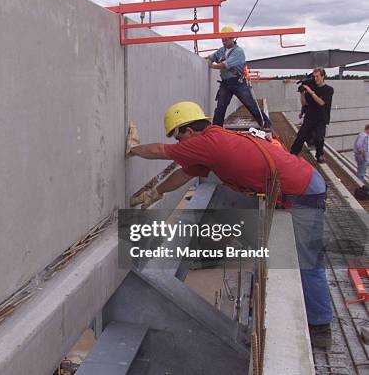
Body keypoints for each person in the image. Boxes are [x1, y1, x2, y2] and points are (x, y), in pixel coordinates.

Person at [127, 101, 333, 348]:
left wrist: (134, 149)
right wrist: (155, 192)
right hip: (299, 186)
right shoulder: (215, 141)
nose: (180, 144)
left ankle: (320, 328)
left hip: (303, 191)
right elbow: (184, 173)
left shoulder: (209, 144)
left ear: (189, 131)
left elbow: (161, 151)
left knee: (309, 260)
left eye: (178, 137)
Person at [206, 26, 271, 129]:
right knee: (220, 107)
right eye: (222, 40)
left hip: (238, 82)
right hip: (226, 83)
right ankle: (216, 129)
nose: (224, 42)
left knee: (250, 103)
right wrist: (209, 60)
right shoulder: (221, 51)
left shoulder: (238, 52)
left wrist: (212, 66)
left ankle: (265, 123)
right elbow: (212, 57)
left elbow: (225, 64)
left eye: (226, 40)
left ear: (232, 39)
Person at [290, 67, 334, 164]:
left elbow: (321, 102)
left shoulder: (328, 90)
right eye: (314, 77)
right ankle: (293, 153)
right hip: (309, 117)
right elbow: (304, 103)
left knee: (319, 138)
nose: (315, 79)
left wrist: (310, 92)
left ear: (323, 76)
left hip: (321, 119)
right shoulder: (311, 87)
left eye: (317, 76)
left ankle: (319, 155)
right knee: (300, 137)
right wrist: (302, 93)